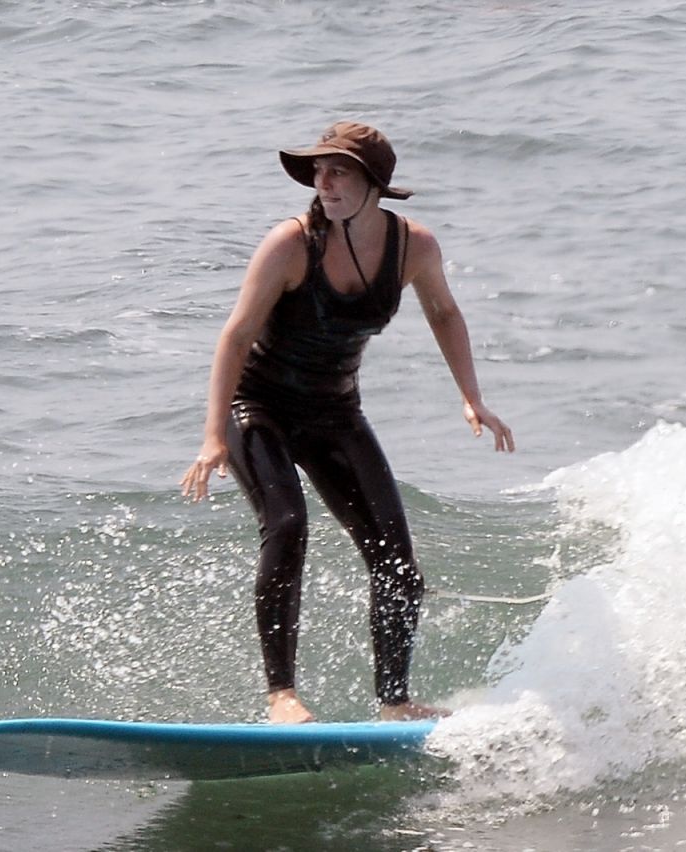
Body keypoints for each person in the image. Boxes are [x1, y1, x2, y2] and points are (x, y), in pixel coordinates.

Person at [181, 121, 514, 724]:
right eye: (318, 171)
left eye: (339, 172)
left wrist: (472, 396)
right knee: (286, 524)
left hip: (335, 411)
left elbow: (444, 311)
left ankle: (394, 702)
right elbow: (235, 336)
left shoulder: (414, 247)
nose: (323, 182)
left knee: (397, 561)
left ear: (373, 185)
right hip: (255, 408)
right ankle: (281, 695)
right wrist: (211, 436)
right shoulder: (291, 245)